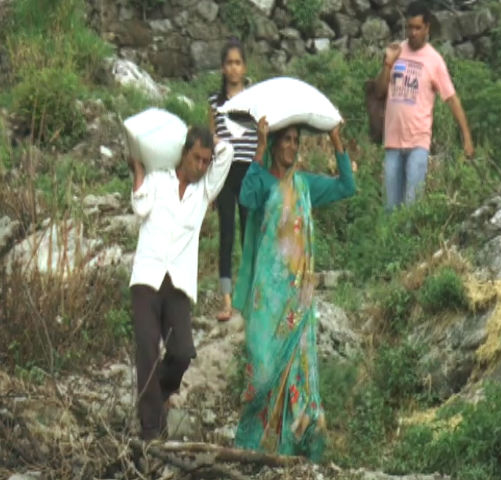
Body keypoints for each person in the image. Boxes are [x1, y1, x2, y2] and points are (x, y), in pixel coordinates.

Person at [232, 117, 355, 460]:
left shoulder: (303, 184)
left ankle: (292, 448)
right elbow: (246, 195)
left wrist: (336, 141)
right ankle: (248, 447)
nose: (290, 146)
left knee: (296, 375)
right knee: (262, 375)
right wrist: (258, 147)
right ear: (274, 144)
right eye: (284, 139)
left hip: (296, 303)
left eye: (295, 140)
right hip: (265, 301)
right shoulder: (263, 181)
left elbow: (347, 186)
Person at [128, 126, 233, 440]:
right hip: (147, 278)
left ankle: (158, 392)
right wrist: (138, 171)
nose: (202, 166)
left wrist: (212, 139)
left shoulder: (203, 193)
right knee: (146, 347)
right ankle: (150, 430)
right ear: (184, 154)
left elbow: (226, 155)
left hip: (178, 284)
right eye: (197, 159)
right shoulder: (159, 180)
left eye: (205, 161)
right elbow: (139, 207)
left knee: (183, 351)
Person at [374, 2, 474, 210]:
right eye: (409, 27)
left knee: (412, 206)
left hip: (418, 142)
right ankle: (390, 243)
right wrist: (387, 64)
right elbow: (379, 91)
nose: (412, 33)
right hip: (393, 142)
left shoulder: (434, 60)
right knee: (390, 208)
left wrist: (467, 138)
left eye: (417, 28)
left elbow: (451, 99)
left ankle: (410, 242)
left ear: (427, 28)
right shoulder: (397, 51)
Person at [208, 39, 258, 322]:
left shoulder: (254, 99)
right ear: (222, 68)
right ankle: (227, 301)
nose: (234, 68)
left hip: (248, 173)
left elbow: (261, 137)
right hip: (225, 175)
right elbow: (211, 140)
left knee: (248, 235)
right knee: (226, 235)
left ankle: (249, 296)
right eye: (229, 63)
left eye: (238, 62)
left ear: (245, 66)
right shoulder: (214, 103)